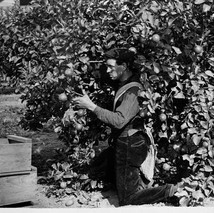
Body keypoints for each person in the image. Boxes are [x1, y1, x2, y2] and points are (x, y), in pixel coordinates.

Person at [72, 48, 184, 206]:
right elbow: (104, 76)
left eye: (111, 67)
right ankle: (135, 180)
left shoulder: (132, 91)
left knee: (127, 198)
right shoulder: (124, 80)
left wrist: (91, 106)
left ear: (123, 66)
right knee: (97, 168)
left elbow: (119, 121)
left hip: (130, 144)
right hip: (125, 142)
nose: (108, 70)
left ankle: (170, 190)